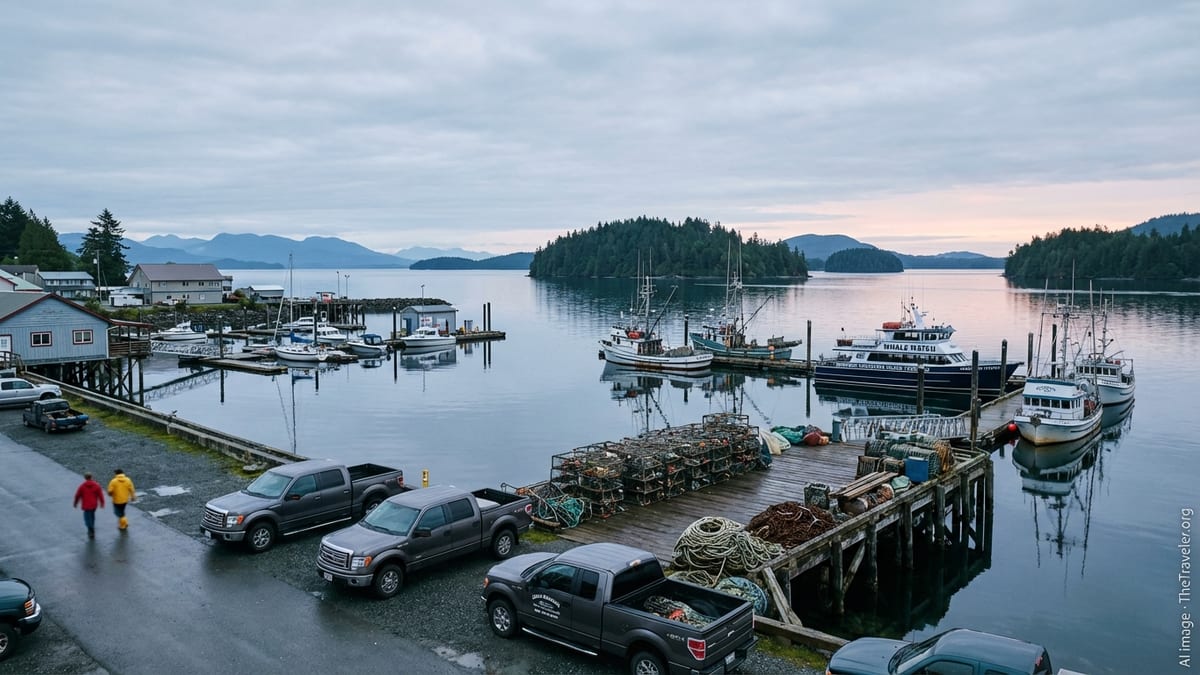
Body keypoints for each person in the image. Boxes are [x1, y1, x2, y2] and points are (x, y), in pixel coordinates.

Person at [73, 472, 105, 539]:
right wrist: (102, 503)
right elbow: (100, 495)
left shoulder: (82, 486)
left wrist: (75, 503)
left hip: (86, 505)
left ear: (85, 478)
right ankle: (91, 527)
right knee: (92, 516)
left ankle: (91, 529)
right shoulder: (96, 485)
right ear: (91, 477)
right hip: (94, 505)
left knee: (87, 518)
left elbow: (77, 496)